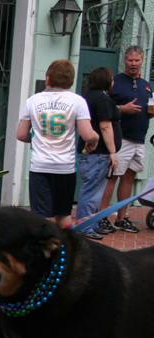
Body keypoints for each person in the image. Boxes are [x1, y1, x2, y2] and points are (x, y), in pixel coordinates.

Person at [17, 60, 98, 227]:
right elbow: (88, 135)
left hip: (39, 165)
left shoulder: (33, 101)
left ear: (48, 78)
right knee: (63, 214)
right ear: (71, 81)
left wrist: (35, 138)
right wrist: (95, 139)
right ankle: (65, 250)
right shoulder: (77, 101)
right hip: (65, 166)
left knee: (41, 216)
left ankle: (43, 251)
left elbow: (21, 134)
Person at [99, 45, 153, 234]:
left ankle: (122, 218)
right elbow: (104, 106)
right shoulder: (115, 82)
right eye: (130, 60)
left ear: (142, 61)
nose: (133, 64)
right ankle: (102, 217)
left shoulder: (147, 85)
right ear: (125, 60)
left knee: (129, 178)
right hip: (121, 139)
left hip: (139, 139)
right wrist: (123, 109)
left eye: (137, 60)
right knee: (112, 177)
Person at [76, 67, 121, 240]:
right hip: (98, 153)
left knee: (95, 191)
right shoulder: (101, 99)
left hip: (92, 154)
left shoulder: (88, 98)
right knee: (91, 190)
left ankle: (92, 223)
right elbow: (105, 126)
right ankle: (84, 226)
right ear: (106, 80)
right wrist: (113, 152)